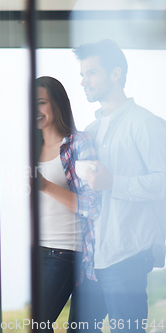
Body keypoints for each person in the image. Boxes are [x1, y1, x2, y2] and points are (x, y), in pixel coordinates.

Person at [69, 39, 166, 333]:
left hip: (128, 255)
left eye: (92, 73)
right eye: (82, 74)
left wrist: (114, 183)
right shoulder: (92, 130)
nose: (84, 81)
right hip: (92, 258)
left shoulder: (146, 123)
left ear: (116, 73)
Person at [35, 76, 100, 332]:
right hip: (37, 250)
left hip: (65, 252)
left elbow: (92, 206)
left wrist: (47, 186)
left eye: (41, 103)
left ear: (58, 104)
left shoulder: (77, 144)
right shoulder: (31, 148)